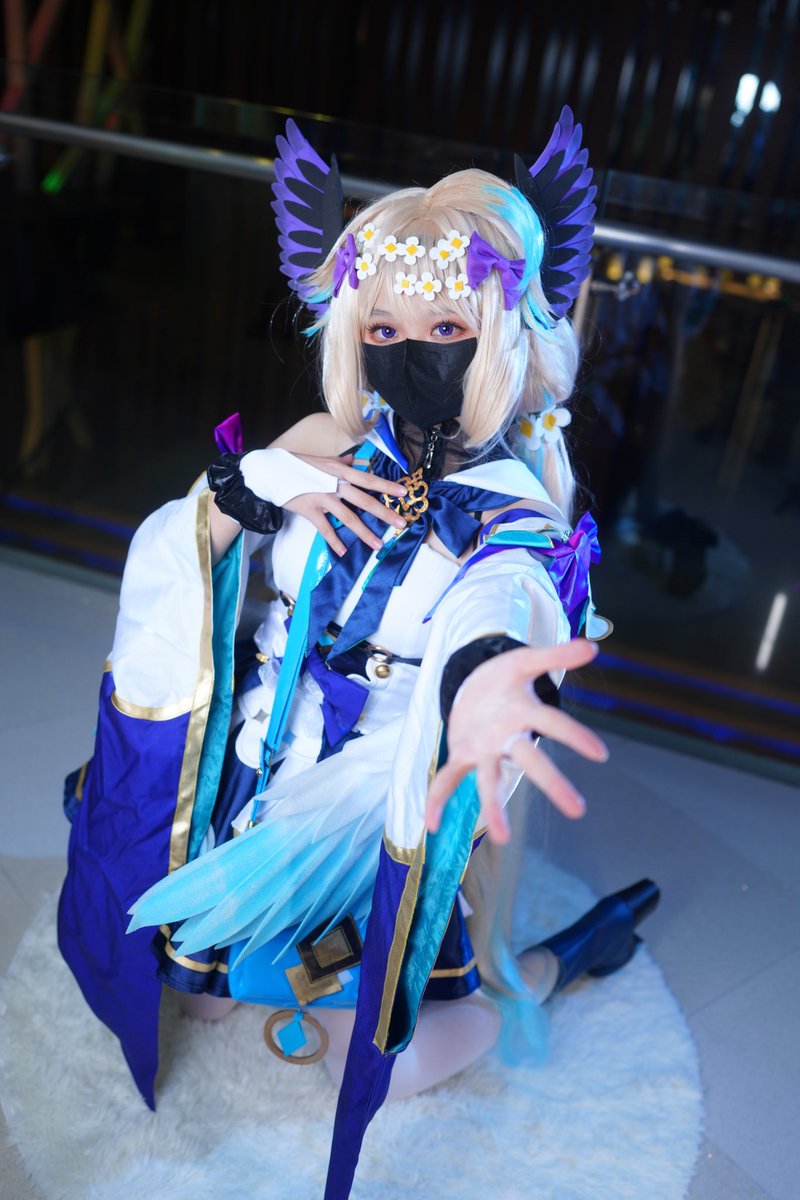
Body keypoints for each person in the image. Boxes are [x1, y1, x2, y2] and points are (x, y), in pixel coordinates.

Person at [58, 110, 659, 1200]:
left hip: (363, 804)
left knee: (373, 1060)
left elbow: (502, 600)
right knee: (201, 996)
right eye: (381, 326)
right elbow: (189, 553)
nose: (408, 351)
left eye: (444, 325)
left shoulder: (513, 511)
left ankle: (543, 967)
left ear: (500, 334)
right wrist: (253, 491)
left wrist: (484, 681)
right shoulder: (324, 439)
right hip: (264, 762)